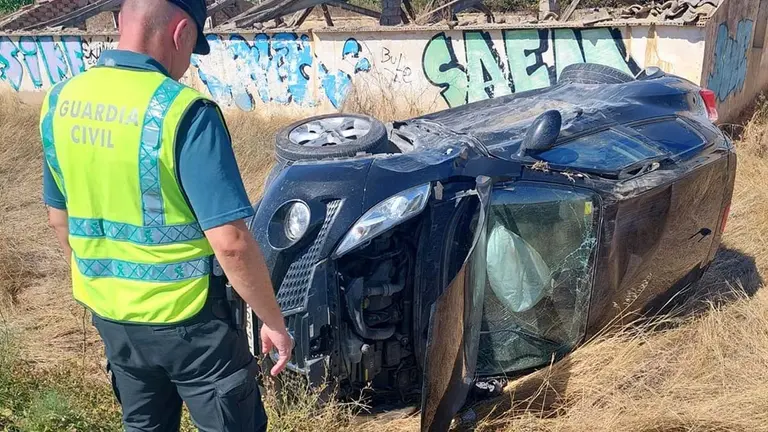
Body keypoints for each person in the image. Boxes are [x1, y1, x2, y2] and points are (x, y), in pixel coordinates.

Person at [39, 0, 294, 430]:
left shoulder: (59, 101)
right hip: (190, 323)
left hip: (113, 320)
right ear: (181, 34)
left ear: (120, 20)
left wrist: (108, 287)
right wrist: (273, 322)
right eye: (192, 48)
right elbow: (231, 243)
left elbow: (57, 219)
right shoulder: (184, 112)